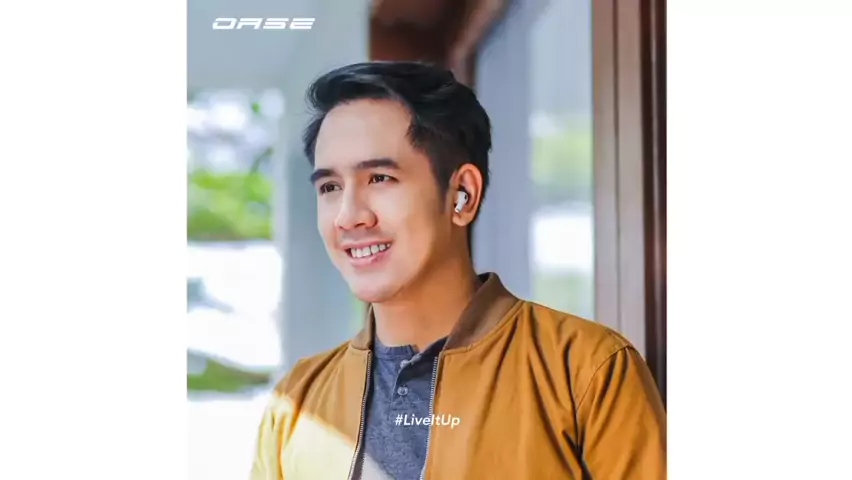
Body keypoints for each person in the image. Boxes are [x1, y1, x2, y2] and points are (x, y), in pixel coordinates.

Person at [250, 61, 666, 480]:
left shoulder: (586, 369)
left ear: (462, 194)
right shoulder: (296, 403)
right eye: (330, 187)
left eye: (379, 178)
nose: (348, 216)